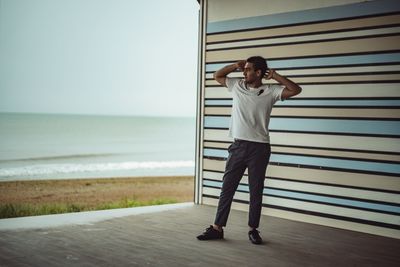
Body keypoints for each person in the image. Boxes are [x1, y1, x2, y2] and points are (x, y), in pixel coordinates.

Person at [196, 56, 302, 245]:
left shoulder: (271, 91)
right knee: (227, 188)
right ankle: (217, 228)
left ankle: (253, 230)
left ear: (259, 73)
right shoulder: (236, 86)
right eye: (244, 69)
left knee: (256, 191)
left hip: (259, 149)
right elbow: (217, 75)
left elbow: (296, 90)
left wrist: (275, 75)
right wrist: (234, 65)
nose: (244, 72)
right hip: (238, 147)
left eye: (248, 69)